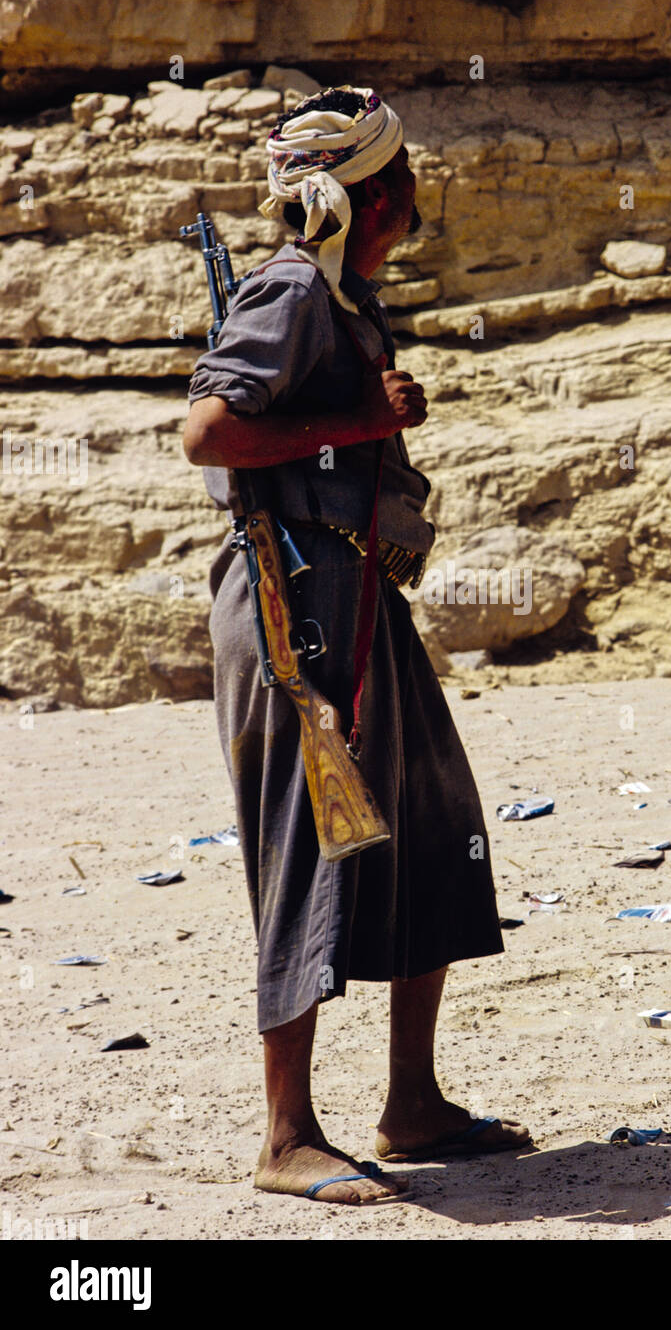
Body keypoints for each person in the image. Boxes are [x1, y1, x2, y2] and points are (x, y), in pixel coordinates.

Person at [182, 86, 530, 1206]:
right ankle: (287, 1138)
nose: (418, 192)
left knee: (429, 824)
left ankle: (411, 1102)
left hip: (361, 589)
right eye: (407, 176)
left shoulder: (342, 294)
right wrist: (361, 422)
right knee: (308, 844)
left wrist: (370, 418)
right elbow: (209, 430)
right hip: (296, 604)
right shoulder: (289, 291)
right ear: (375, 195)